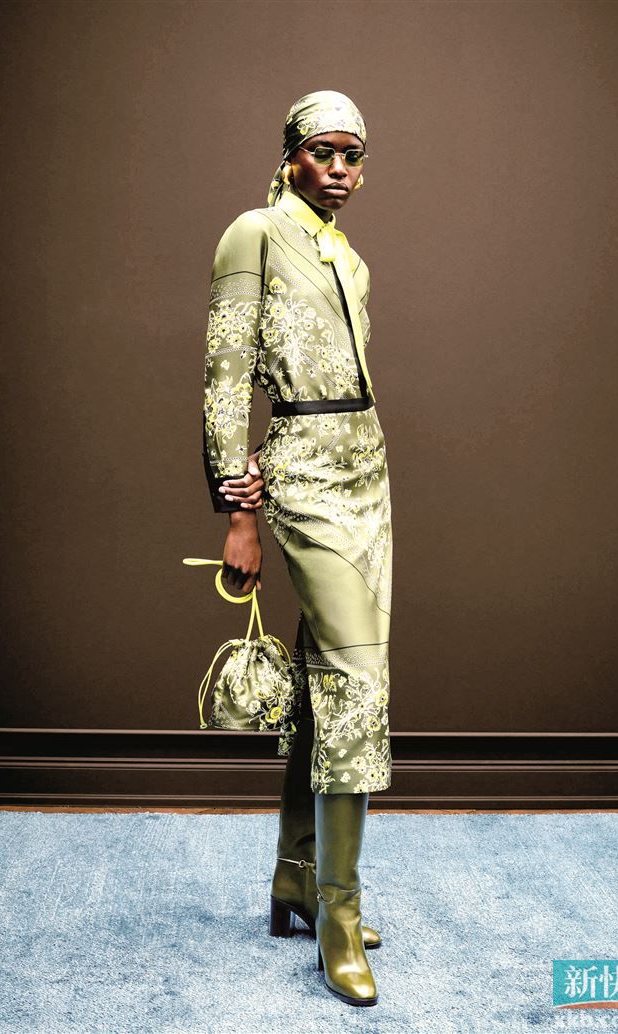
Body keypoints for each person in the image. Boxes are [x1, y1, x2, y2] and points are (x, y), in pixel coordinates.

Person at [201, 90, 392, 1007]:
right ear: (290, 155)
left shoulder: (345, 253)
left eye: (354, 155)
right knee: (358, 681)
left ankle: (297, 879)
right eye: (325, 152)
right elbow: (225, 376)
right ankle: (341, 915)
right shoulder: (254, 233)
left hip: (369, 470)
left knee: (327, 677)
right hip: (303, 472)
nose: (341, 171)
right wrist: (236, 511)